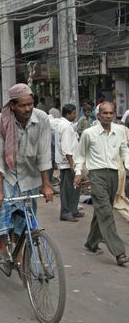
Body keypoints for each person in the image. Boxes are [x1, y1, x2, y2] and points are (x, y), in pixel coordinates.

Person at [0, 83, 53, 262]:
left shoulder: (42, 119)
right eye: (22, 105)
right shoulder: (0, 121)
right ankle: (2, 247)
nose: (27, 108)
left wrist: (47, 185)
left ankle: (19, 250)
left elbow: (44, 153)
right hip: (8, 173)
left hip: (31, 174)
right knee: (1, 207)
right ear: (12, 105)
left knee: (26, 214)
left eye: (30, 104)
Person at [73, 102, 129, 266]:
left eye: (111, 113)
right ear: (98, 116)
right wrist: (78, 173)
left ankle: (91, 242)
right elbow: (80, 155)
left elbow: (124, 150)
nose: (108, 116)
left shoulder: (119, 132)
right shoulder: (89, 133)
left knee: (102, 210)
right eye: (105, 113)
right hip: (96, 175)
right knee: (106, 212)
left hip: (114, 175)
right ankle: (119, 252)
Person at [56, 104, 83, 222]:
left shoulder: (66, 125)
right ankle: (66, 212)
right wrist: (72, 164)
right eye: (73, 113)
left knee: (75, 187)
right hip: (68, 163)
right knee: (68, 188)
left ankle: (73, 209)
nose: (75, 115)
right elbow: (66, 147)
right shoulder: (65, 126)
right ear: (68, 114)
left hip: (70, 161)